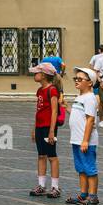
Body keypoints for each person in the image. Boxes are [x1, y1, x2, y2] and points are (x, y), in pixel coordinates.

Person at [29, 63, 65, 198]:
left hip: (48, 127)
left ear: (43, 75)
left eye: (36, 73)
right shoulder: (39, 91)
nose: (34, 75)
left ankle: (55, 187)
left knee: (52, 156)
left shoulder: (52, 90)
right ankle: (41, 185)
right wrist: (34, 128)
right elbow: (38, 111)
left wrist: (51, 130)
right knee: (41, 155)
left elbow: (55, 111)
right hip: (39, 127)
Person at [67, 67, 101, 205]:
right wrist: (66, 107)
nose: (77, 81)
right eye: (76, 78)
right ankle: (83, 194)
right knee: (81, 169)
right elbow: (77, 115)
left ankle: (93, 197)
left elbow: (90, 120)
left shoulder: (90, 98)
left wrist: (85, 140)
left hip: (85, 141)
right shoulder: (80, 97)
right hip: (77, 139)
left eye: (80, 79)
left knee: (89, 169)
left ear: (90, 83)